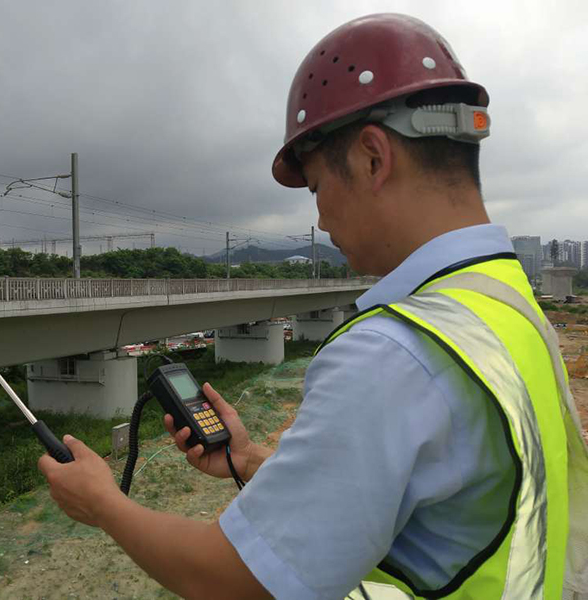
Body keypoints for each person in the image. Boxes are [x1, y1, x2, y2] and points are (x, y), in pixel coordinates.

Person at [38, 14, 588, 599]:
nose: (321, 220)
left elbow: (240, 582)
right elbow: (448, 489)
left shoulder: (391, 353)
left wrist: (104, 504)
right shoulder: (503, 299)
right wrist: (248, 459)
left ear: (374, 159)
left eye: (319, 188)